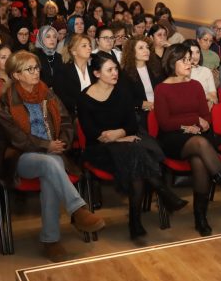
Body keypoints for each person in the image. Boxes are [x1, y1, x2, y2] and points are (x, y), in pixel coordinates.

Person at [0, 50, 104, 262]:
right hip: (21, 156)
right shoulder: (5, 101)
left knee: (50, 170)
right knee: (50, 162)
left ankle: (51, 240)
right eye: (29, 69)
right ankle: (78, 209)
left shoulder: (47, 93)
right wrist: (46, 145)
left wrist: (61, 142)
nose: (36, 72)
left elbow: (65, 120)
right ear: (16, 75)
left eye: (37, 68)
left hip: (52, 155)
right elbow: (16, 138)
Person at [78, 53, 186, 240]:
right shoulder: (85, 97)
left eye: (115, 69)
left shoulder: (122, 91)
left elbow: (132, 124)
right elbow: (90, 131)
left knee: (135, 160)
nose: (115, 73)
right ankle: (161, 195)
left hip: (125, 142)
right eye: (109, 70)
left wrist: (120, 134)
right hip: (99, 149)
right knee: (136, 152)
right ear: (96, 73)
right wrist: (116, 138)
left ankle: (136, 221)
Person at [154, 44, 221, 235]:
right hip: (172, 138)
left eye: (190, 59)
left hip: (198, 134)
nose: (190, 63)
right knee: (200, 144)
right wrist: (190, 122)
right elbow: (165, 123)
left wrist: (201, 123)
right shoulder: (162, 89)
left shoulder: (195, 85)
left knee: (199, 160)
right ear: (172, 62)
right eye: (185, 60)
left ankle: (200, 217)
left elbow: (206, 115)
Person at [120, 35, 162, 127]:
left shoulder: (155, 67)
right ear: (132, 52)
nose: (146, 51)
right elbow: (125, 99)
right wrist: (142, 104)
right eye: (141, 48)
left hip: (160, 109)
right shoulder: (125, 74)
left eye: (147, 47)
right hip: (141, 114)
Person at [54, 33, 94, 120]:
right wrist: (81, 105)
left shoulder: (94, 69)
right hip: (72, 115)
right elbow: (60, 97)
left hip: (94, 112)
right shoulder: (63, 70)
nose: (89, 48)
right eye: (84, 46)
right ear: (74, 51)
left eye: (89, 45)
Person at [185, 39, 217, 108]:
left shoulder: (206, 71)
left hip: (204, 109)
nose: (195, 56)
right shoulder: (181, 72)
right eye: (192, 53)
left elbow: (215, 99)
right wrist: (206, 95)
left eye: (198, 52)